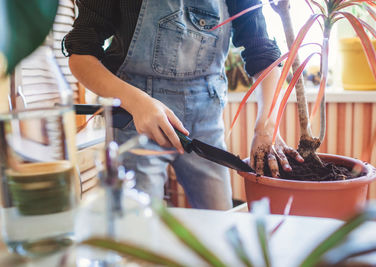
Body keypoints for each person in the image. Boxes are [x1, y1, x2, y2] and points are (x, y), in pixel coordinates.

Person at [63, 0, 303, 210]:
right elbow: (81, 55)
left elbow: (261, 50)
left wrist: (267, 126)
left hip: (205, 118)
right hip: (135, 118)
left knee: (218, 224)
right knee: (139, 231)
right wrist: (137, 102)